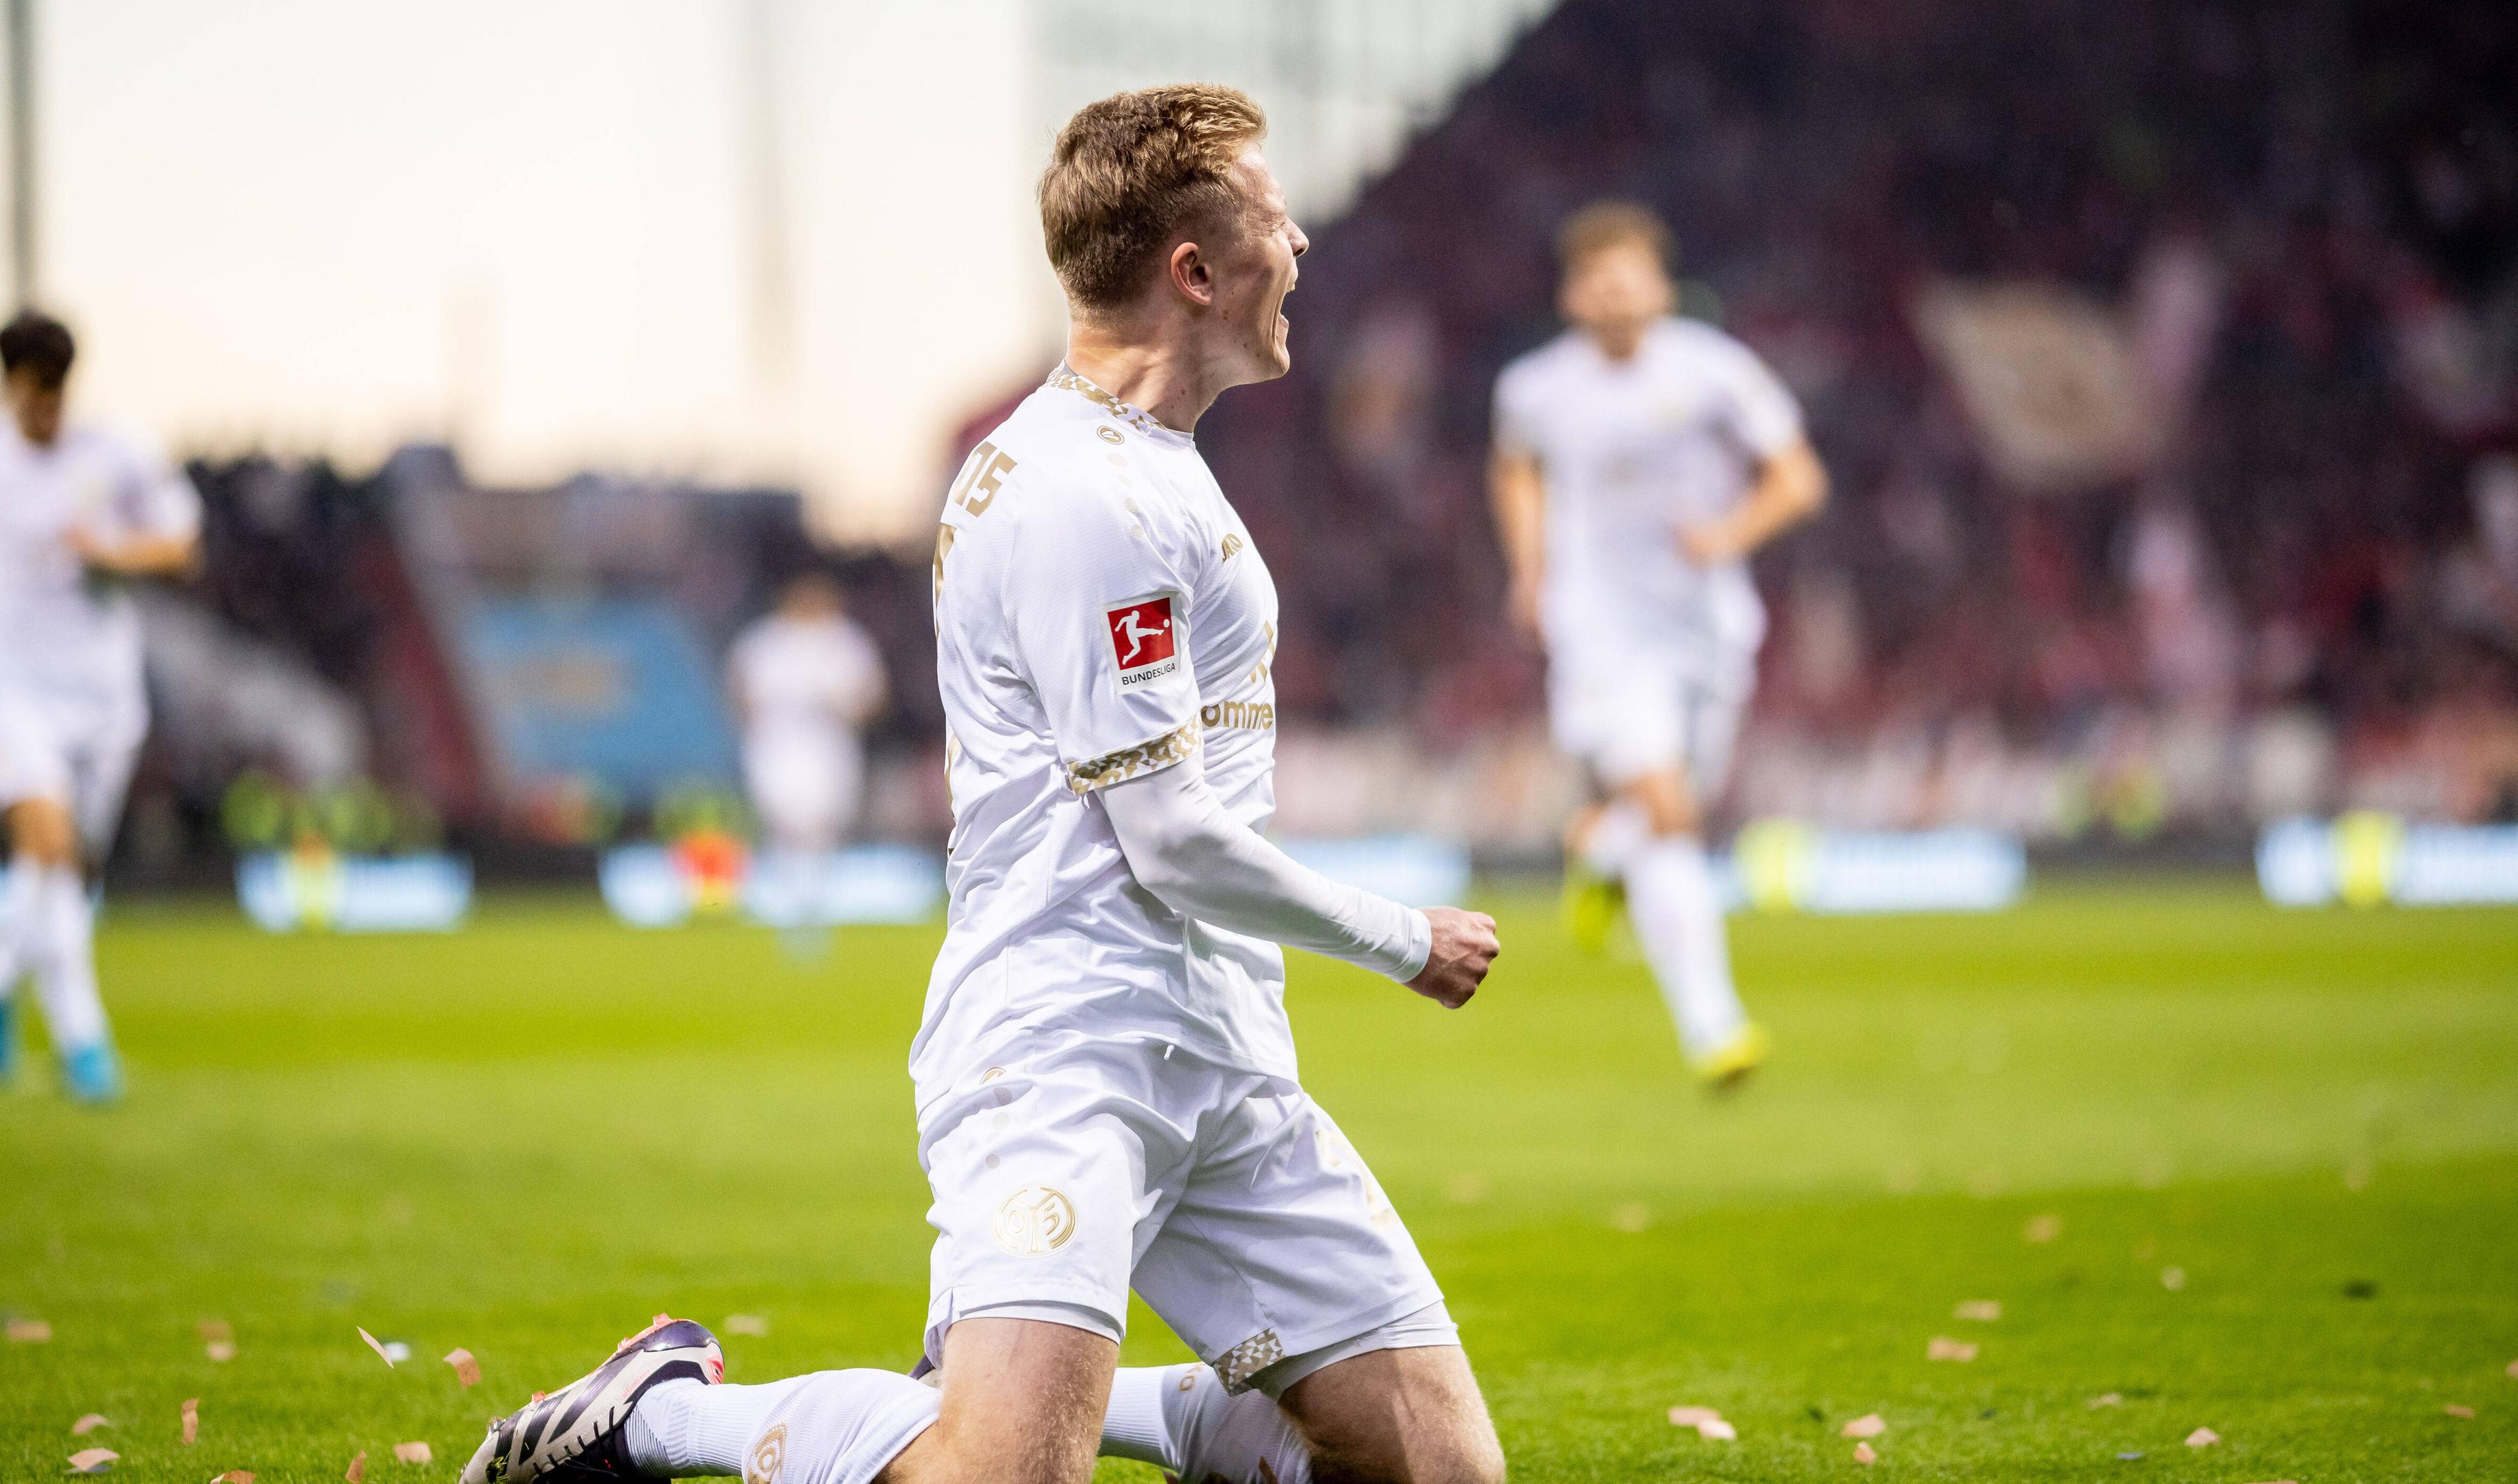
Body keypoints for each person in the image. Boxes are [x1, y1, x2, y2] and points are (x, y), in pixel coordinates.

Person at [459, 86, 1506, 1484]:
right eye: (1271, 216)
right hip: (1066, 1043)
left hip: (1224, 1048)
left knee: (1438, 1473)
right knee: (1000, 1476)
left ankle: (1173, 1412)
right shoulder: (1084, 496)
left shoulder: (1150, 468)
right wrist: (1404, 938)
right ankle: (660, 1413)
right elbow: (1174, 843)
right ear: (1193, 272)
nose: (1302, 241)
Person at [1488, 202, 1828, 1091]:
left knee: (1676, 811)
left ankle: (1598, 848)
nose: (1616, 292)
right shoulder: (1535, 389)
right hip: (1602, 632)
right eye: (1599, 277)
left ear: (1661, 285)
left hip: (1709, 631)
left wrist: (1728, 535)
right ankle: (1715, 1030)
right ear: (1573, 294)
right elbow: (1515, 469)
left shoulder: (1717, 372)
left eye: (1631, 274)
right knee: (1673, 814)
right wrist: (1530, 571)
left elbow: (1799, 479)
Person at [0, 309, 202, 1103]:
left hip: (102, 698)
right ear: (9, 386)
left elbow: (181, 546)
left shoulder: (117, 456)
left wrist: (116, 552)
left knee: (66, 871)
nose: (47, 409)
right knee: (49, 845)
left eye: (57, 393)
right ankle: (85, 1042)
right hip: (4, 684)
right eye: (35, 393)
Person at [726, 572, 887, 929]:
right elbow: (739, 693)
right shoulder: (765, 641)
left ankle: (815, 904)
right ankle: (786, 904)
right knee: (784, 822)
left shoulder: (844, 640)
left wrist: (838, 705)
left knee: (823, 824)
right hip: (777, 749)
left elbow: (872, 698)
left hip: (829, 750)